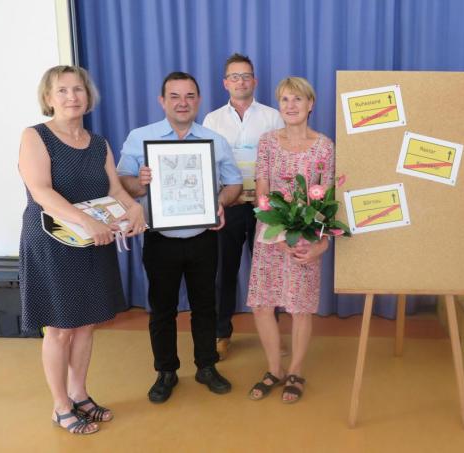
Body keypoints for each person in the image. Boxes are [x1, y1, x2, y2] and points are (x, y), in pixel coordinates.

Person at [18, 65, 147, 434]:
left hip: (93, 241)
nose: (72, 97)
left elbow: (116, 192)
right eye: (62, 90)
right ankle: (60, 406)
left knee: (87, 324)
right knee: (59, 328)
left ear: (88, 97)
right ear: (48, 98)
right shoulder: (35, 136)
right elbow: (41, 191)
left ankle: (79, 394)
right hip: (53, 241)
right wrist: (87, 221)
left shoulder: (99, 142)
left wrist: (134, 207)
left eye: (78, 89)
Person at [117, 72, 242, 404]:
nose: (182, 103)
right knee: (162, 309)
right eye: (174, 96)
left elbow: (234, 184)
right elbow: (122, 181)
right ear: (162, 101)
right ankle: (166, 371)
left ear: (198, 100)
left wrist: (220, 202)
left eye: (189, 96)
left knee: (205, 306)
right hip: (160, 238)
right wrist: (138, 182)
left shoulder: (214, 140)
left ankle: (206, 366)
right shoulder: (139, 138)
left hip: (203, 236)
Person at [246, 77, 334, 404]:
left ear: (311, 104)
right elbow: (262, 190)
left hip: (306, 241)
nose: (291, 106)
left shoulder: (325, 145)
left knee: (300, 307)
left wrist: (317, 241)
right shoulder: (268, 142)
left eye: (298, 99)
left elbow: (327, 198)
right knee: (262, 305)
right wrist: (279, 233)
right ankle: (273, 369)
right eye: (284, 100)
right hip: (270, 233)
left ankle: (295, 370)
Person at [202, 53, 285, 360]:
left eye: (246, 76)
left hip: (265, 207)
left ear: (255, 81)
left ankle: (272, 333)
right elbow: (207, 163)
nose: (240, 81)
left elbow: (282, 160)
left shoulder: (273, 116)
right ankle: (222, 332)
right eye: (234, 76)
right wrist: (220, 199)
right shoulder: (212, 119)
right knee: (224, 271)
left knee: (268, 273)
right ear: (225, 83)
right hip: (229, 206)